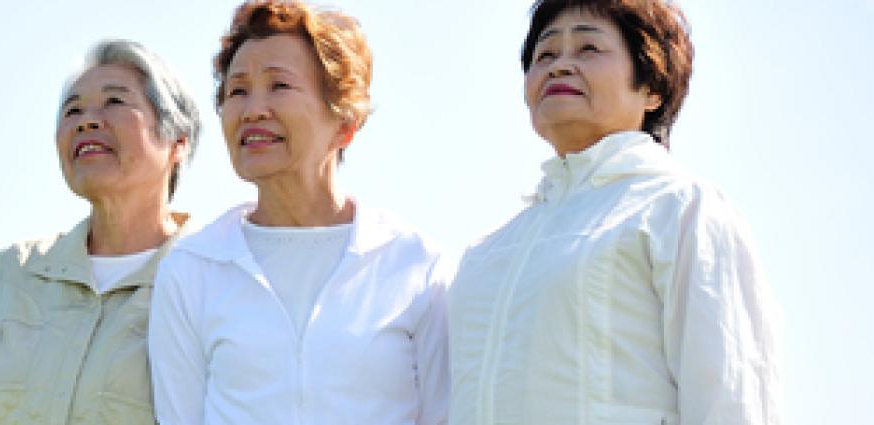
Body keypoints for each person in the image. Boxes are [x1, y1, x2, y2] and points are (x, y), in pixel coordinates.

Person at [447, 1, 782, 424]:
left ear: (652, 88)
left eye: (588, 48)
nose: (559, 66)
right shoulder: (485, 254)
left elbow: (731, 399)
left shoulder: (680, 209)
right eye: (545, 55)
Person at [148, 1, 450, 424]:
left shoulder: (416, 264)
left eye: (279, 85)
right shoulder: (190, 269)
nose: (253, 109)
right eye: (237, 91)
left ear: (345, 122)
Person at [0, 39, 201, 425]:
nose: (87, 120)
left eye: (115, 102)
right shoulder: (10, 275)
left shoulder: (211, 281)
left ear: (178, 141)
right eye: (72, 109)